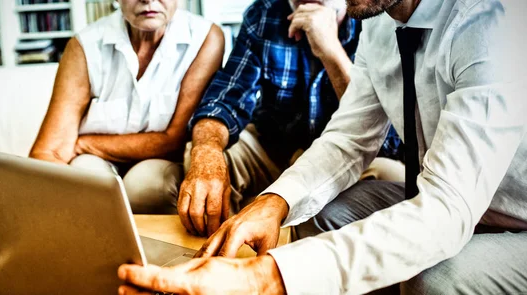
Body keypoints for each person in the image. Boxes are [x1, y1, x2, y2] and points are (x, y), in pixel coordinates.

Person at [117, 0, 527, 294]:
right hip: (455, 201)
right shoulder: (378, 24)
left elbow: (446, 210)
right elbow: (348, 139)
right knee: (325, 212)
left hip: (513, 221)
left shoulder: (491, 23)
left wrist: (264, 278)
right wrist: (273, 202)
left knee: (436, 279)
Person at [177, 0, 404, 237]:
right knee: (202, 150)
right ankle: (221, 248)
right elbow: (225, 100)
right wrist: (207, 153)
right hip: (275, 149)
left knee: (391, 174)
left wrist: (330, 49)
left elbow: (387, 140)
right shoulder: (264, 14)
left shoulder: (373, 16)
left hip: (353, 156)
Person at [29, 0, 224, 213]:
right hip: (97, 162)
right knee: (84, 174)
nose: (148, 0)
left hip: (162, 161)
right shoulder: (85, 45)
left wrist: (83, 144)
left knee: (146, 183)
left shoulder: (205, 38)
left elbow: (173, 140)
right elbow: (48, 152)